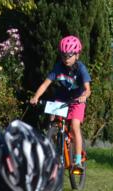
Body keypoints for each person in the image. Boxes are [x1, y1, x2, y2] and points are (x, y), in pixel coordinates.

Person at [29, 35, 91, 169]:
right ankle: (57, 146)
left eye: (69, 56)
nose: (66, 59)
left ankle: (78, 161)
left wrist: (84, 96)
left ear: (77, 55)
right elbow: (45, 84)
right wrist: (36, 97)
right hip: (61, 98)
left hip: (77, 100)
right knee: (52, 120)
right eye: (63, 55)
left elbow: (88, 89)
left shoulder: (81, 68)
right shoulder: (58, 67)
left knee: (74, 126)